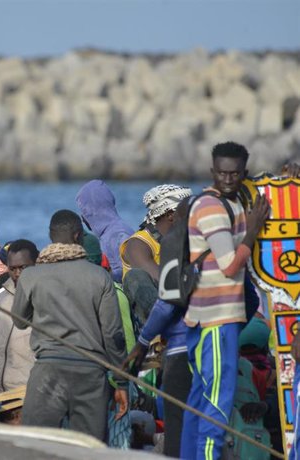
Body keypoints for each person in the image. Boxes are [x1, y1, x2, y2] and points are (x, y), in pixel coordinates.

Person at [180, 142, 269, 460]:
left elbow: (269, 189)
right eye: (222, 173)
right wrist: (252, 232)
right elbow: (229, 264)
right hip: (215, 319)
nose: (228, 179)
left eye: (234, 174)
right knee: (216, 405)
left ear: (243, 174)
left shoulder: (234, 203)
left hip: (209, 317)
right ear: (212, 171)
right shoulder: (211, 207)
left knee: (199, 402)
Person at [11, 210, 128, 441]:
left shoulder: (31, 276)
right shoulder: (100, 277)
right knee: (87, 448)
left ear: (50, 235)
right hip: (90, 374)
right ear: (78, 237)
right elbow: (113, 335)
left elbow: (18, 320)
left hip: (47, 372)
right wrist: (122, 382)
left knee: (37, 445)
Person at [120, 184, 192, 325]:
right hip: (152, 321)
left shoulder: (185, 240)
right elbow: (165, 285)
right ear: (170, 215)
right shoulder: (138, 244)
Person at [0, 239, 38, 394]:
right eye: (12, 268)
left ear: (36, 264)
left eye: (23, 267)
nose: (17, 274)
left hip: (27, 393)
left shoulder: (45, 301)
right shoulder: (0, 299)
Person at [75, 180, 133, 282]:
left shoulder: (119, 235)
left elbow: (131, 275)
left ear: (91, 211)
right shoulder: (108, 233)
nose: (83, 219)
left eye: (84, 211)